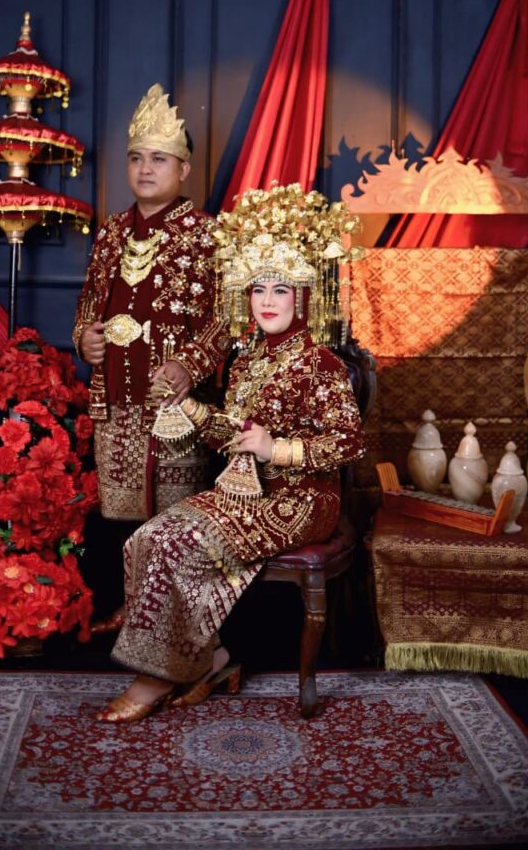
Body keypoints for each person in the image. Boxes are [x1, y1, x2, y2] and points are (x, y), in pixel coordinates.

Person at [97, 182, 366, 722]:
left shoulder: (320, 364)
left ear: (303, 297)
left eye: (280, 290)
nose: (267, 301)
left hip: (300, 502)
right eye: (258, 289)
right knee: (150, 536)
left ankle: (157, 677)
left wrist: (277, 448)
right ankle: (212, 658)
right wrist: (192, 410)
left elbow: (349, 442)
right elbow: (232, 436)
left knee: (180, 544)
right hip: (245, 492)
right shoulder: (246, 360)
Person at [73, 84, 232, 628]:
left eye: (158, 159)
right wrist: (85, 338)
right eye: (136, 158)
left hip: (174, 406)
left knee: (174, 514)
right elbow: (87, 305)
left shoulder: (208, 234)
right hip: (115, 400)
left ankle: (172, 619)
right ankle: (135, 608)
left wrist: (190, 364)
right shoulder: (111, 233)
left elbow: (229, 317)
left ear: (183, 169)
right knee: (122, 512)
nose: (145, 169)